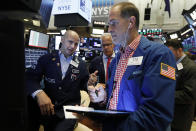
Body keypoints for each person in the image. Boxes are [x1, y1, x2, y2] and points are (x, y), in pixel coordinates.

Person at [85, 2, 177, 131]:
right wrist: (103, 96)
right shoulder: (117, 59)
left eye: (113, 23)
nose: (109, 29)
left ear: (131, 22)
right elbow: (117, 97)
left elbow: (157, 114)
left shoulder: (159, 54)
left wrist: (108, 127)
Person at [25, 30, 89, 131]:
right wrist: (39, 93)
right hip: (49, 108)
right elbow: (30, 78)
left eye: (76, 44)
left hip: (70, 110)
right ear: (62, 40)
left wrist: (91, 85)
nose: (73, 46)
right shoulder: (46, 59)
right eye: (70, 42)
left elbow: (85, 85)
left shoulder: (81, 64)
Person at [165, 39, 196, 131]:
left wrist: (165, 95)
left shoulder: (191, 68)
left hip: (181, 116)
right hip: (169, 114)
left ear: (179, 51)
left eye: (170, 52)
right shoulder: (171, 64)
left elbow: (189, 94)